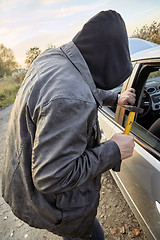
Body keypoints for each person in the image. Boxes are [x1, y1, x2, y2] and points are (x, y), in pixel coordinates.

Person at [2, 10, 136, 240]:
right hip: (50, 202)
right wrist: (113, 150)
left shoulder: (53, 59)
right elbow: (51, 176)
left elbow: (81, 83)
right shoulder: (70, 98)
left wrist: (115, 98)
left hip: (21, 180)